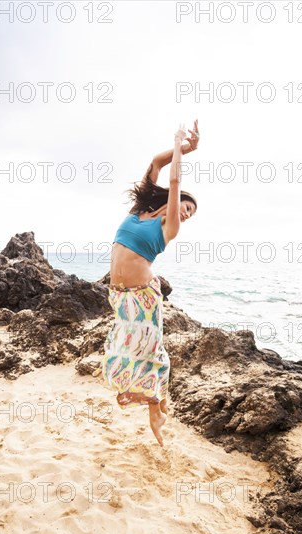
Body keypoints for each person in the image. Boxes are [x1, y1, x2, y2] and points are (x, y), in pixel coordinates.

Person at [101, 120, 200, 446]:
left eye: (189, 214)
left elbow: (173, 179)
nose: (185, 214)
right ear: (177, 200)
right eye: (186, 207)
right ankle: (157, 404)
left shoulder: (169, 228)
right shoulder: (138, 210)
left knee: (151, 352)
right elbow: (158, 165)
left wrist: (179, 144)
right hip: (119, 295)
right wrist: (183, 148)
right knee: (122, 352)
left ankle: (157, 410)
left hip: (143, 296)